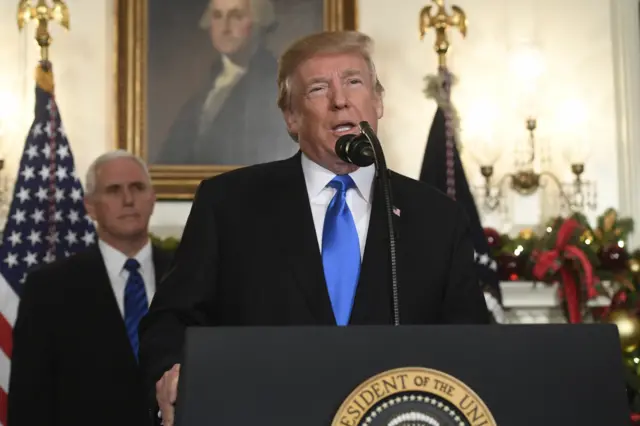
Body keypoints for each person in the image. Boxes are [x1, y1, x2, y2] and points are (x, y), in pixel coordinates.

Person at [139, 30, 490, 426]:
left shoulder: (436, 218)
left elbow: (472, 346)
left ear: (377, 102)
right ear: (291, 117)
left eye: (354, 82)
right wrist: (174, 373)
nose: (341, 99)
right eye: (319, 88)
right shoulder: (230, 204)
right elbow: (169, 322)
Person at [7, 150, 173, 426]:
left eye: (137, 187)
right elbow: (29, 401)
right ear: (90, 206)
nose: (128, 200)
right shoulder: (49, 289)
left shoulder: (186, 272)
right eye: (113, 190)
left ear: (152, 197)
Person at [156, 0, 296, 166]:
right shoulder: (209, 85)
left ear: (259, 22)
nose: (225, 27)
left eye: (236, 16)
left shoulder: (275, 82)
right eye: (217, 16)